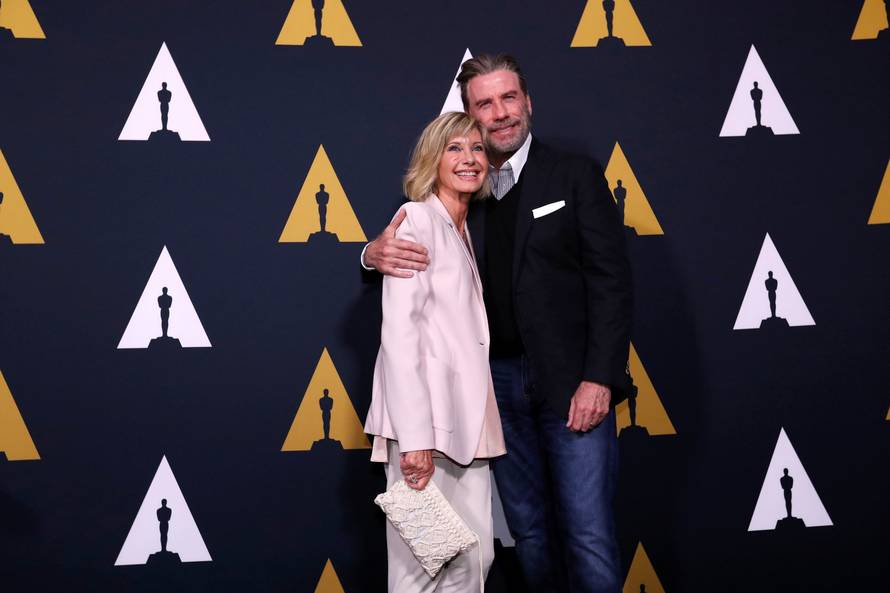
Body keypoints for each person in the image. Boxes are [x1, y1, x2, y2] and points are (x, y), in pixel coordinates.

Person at [363, 54, 632, 593]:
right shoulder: (460, 197)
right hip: (492, 393)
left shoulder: (573, 173)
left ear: (528, 102)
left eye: (509, 98)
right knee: (523, 534)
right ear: (469, 115)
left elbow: (611, 280)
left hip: (570, 385)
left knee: (587, 533)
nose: (501, 112)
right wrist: (370, 254)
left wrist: (599, 377)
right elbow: (406, 274)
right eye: (485, 103)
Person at [364, 111, 506, 592]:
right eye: (455, 148)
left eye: (478, 149)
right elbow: (400, 336)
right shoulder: (418, 220)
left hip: (467, 427)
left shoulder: (461, 228)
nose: (469, 158)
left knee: (473, 559)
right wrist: (415, 437)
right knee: (419, 569)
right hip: (425, 428)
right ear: (432, 159)